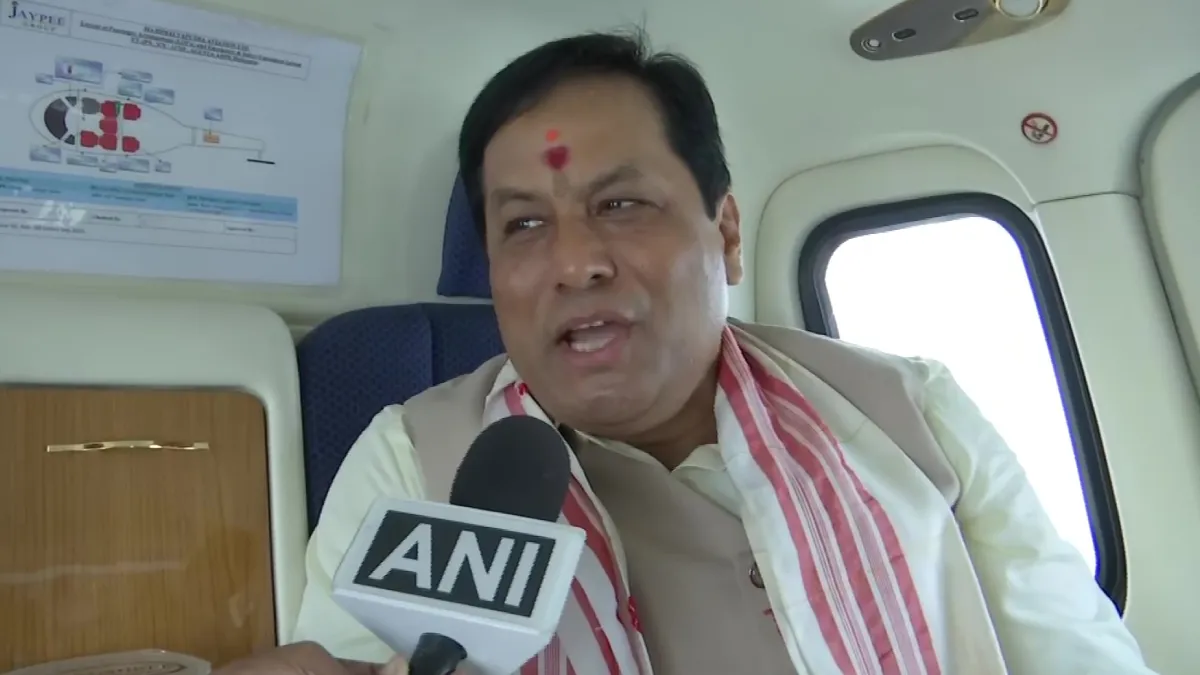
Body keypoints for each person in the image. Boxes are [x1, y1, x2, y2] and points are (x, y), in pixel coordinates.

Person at [223, 29, 1158, 675]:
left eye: (621, 204)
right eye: (524, 224)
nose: (576, 262)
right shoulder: (412, 459)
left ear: (728, 234)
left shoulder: (909, 411)